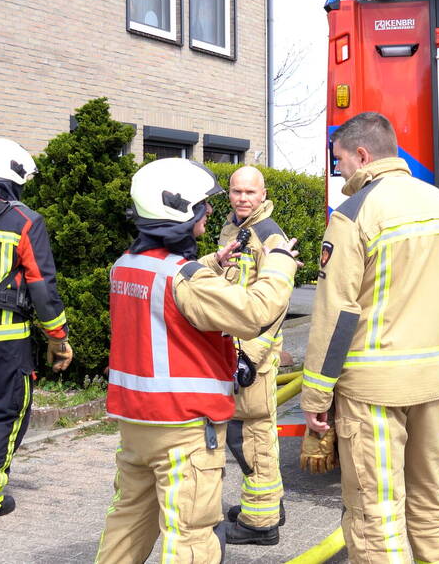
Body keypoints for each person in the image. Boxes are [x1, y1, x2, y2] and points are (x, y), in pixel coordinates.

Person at [95, 158, 299, 563]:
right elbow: (256, 312)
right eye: (201, 205)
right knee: (190, 534)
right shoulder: (186, 280)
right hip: (183, 430)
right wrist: (280, 260)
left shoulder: (127, 265)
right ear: (180, 212)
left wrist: (210, 262)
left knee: (128, 523)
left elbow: (169, 281)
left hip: (136, 425)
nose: (209, 210)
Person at [301, 112, 439, 563]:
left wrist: (316, 396)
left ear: (362, 155)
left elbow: (336, 312)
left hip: (372, 390)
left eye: (339, 162)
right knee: (434, 499)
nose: (338, 173)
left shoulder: (353, 215)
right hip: (433, 383)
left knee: (376, 513)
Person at [0, 137, 72, 521]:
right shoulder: (23, 220)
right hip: (4, 342)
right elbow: (42, 287)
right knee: (4, 412)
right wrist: (58, 338)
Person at [213, 165, 290, 546]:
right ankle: (268, 503)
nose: (242, 198)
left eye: (250, 193)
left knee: (251, 436)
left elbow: (275, 304)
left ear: (263, 195)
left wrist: (249, 355)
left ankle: (260, 523)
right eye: (236, 191)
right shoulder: (234, 229)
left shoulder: (267, 235)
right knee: (250, 434)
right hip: (236, 349)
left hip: (251, 357)